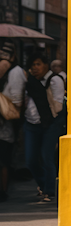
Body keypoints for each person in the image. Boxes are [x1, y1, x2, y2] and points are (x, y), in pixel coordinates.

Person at [23, 51, 65, 202]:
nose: (35, 68)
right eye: (32, 65)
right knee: (31, 160)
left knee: (46, 157)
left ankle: (49, 191)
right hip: (31, 123)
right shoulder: (30, 81)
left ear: (46, 65)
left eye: (38, 64)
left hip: (51, 124)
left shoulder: (55, 80)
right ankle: (43, 184)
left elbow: (58, 105)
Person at [0, 41, 26, 202]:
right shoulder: (15, 71)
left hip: (5, 121)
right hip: (6, 121)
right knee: (4, 159)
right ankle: (3, 191)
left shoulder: (12, 72)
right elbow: (17, 101)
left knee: (3, 159)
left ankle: (3, 191)